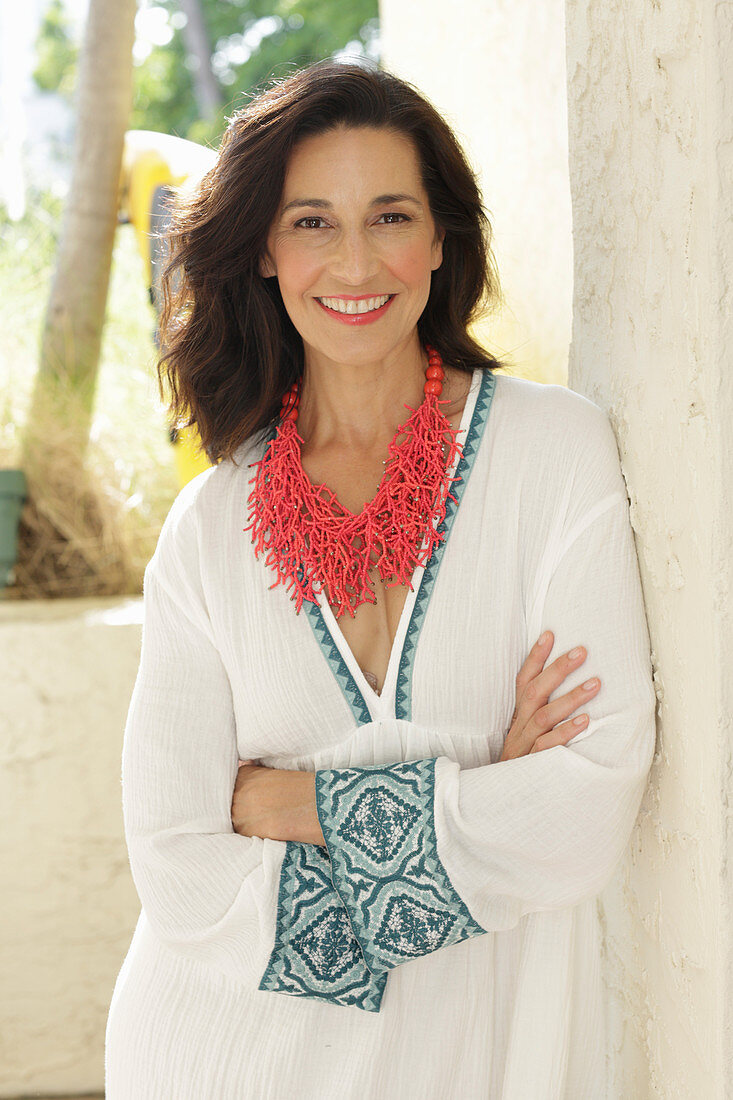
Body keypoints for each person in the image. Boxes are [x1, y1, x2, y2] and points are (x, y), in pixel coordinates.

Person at [104, 59, 656, 1099]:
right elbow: (177, 868)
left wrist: (285, 801)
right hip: (218, 1053)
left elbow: (586, 807)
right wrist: (481, 787)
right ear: (265, 248)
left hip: (477, 1059)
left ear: (440, 238)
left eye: (389, 214)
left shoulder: (552, 453)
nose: (354, 261)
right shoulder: (209, 527)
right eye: (312, 221)